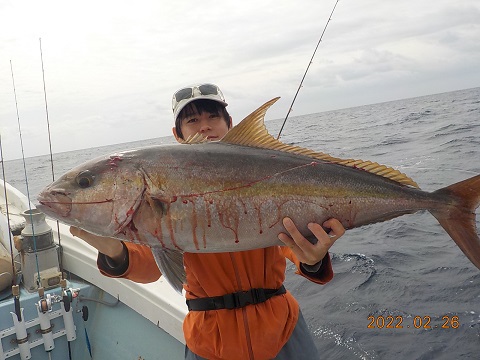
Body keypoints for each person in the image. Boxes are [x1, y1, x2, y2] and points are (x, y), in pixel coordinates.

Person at [70, 83, 346, 360]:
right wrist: (115, 252)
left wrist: (312, 259)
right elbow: (152, 265)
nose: (204, 127)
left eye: (213, 117)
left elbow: (291, 243)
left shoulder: (263, 173)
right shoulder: (163, 186)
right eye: (192, 120)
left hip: (283, 332)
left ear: (230, 124)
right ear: (178, 135)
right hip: (212, 343)